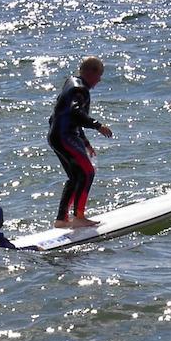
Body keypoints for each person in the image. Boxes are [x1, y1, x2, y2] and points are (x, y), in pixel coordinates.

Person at [47, 56, 113, 228]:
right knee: (87, 172)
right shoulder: (80, 90)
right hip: (65, 137)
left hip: (56, 136)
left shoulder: (71, 82)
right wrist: (98, 125)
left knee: (75, 176)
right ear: (90, 72)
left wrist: (85, 142)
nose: (99, 80)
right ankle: (79, 217)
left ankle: (61, 220)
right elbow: (75, 113)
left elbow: (65, 116)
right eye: (99, 76)